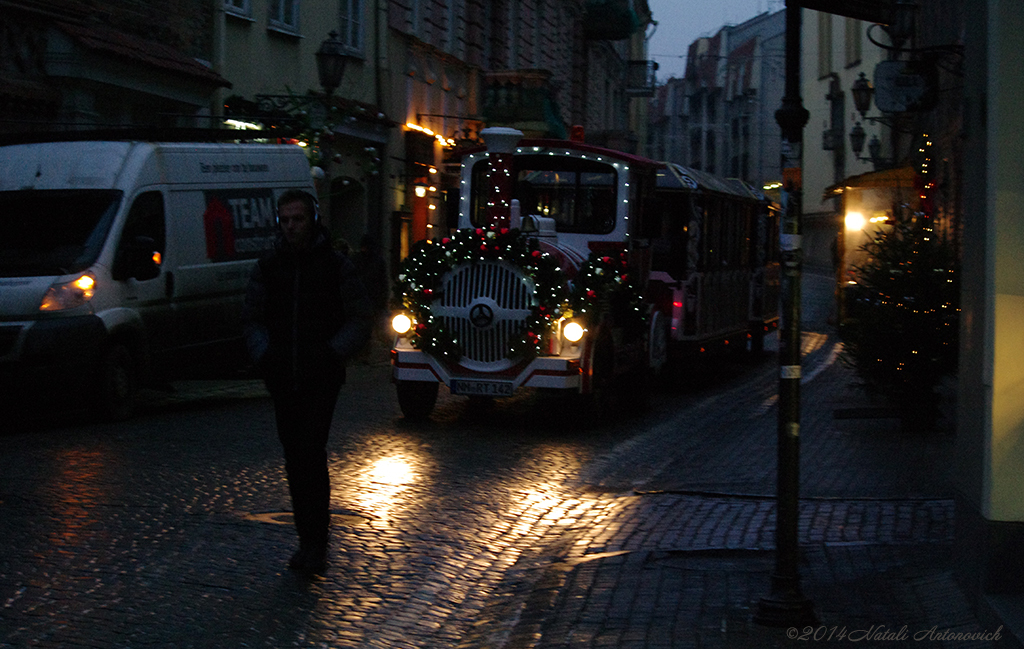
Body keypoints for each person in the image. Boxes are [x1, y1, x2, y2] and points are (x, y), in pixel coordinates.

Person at [243, 189, 372, 575]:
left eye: (297, 219)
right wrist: (264, 355)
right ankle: (305, 539)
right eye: (285, 220)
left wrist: (333, 353)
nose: (291, 227)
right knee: (294, 459)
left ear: (312, 220)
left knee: (311, 455)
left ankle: (316, 542)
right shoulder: (269, 266)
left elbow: (359, 318)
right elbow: (252, 317)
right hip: (283, 376)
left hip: (321, 377)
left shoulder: (335, 266)